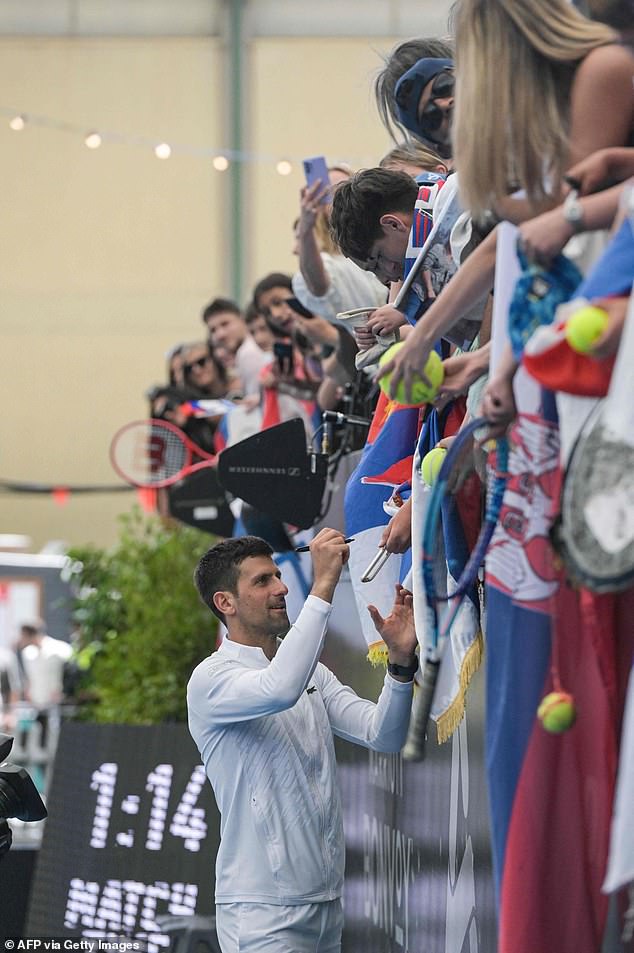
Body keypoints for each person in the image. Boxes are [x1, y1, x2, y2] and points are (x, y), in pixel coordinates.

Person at [187, 529, 417, 952]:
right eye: (262, 581)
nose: (281, 587)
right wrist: (325, 583)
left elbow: (383, 735)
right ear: (225, 603)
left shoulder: (308, 672)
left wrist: (400, 668)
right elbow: (280, 689)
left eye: (277, 574)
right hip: (262, 912)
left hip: (325, 904)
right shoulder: (210, 679)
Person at [202, 297, 271, 397]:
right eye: (213, 330)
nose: (220, 334)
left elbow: (258, 406)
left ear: (242, 319)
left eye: (225, 324)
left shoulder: (248, 353)